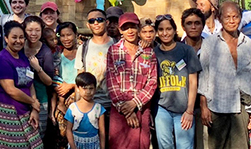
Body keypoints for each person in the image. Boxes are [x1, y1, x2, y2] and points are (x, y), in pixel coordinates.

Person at [198, 1, 251, 149]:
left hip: (240, 105)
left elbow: (250, 76)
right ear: (219, 19)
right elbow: (203, 75)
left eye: (235, 17)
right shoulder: (210, 43)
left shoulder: (247, 43)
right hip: (216, 105)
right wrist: (203, 106)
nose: (232, 21)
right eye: (227, 17)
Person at [0, 21, 43, 149]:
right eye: (14, 37)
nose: (18, 41)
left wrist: (34, 108)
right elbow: (11, 90)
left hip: (24, 110)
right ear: (6, 38)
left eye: (21, 37)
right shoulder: (2, 59)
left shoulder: (22, 57)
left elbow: (30, 83)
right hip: (6, 113)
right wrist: (32, 102)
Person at [106, 13, 157, 149]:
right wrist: (127, 110)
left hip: (142, 107)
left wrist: (135, 103)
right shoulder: (113, 51)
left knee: (141, 144)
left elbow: (152, 81)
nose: (130, 31)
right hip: (120, 108)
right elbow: (111, 82)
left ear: (138, 28)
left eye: (133, 27)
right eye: (125, 28)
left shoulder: (148, 52)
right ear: (120, 30)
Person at [153, 14, 201, 149]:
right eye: (161, 30)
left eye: (168, 29)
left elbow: (193, 82)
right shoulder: (153, 53)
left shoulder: (186, 50)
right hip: (161, 108)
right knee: (165, 145)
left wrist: (190, 110)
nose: (165, 33)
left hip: (184, 108)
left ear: (174, 30)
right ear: (157, 32)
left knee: (185, 146)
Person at [75, 8, 114, 144]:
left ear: (107, 22)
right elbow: (79, 79)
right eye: (92, 21)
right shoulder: (83, 48)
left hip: (113, 106)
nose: (96, 23)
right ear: (88, 25)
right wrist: (78, 107)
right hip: (90, 105)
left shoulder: (116, 45)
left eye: (100, 20)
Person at [23, 16, 55, 140]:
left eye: (37, 30)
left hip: (40, 100)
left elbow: (49, 81)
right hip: (20, 98)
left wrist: (38, 68)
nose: (33, 34)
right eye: (30, 30)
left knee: (37, 137)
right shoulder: (19, 46)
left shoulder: (45, 52)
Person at [180, 8, 208, 149]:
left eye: (197, 23)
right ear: (183, 26)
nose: (193, 26)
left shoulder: (212, 47)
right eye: (189, 23)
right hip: (182, 108)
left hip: (207, 106)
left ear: (203, 25)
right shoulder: (175, 48)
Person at [53, 21, 79, 147]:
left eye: (69, 35)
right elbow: (54, 77)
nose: (65, 39)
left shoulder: (83, 53)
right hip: (61, 100)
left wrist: (71, 85)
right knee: (62, 136)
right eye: (62, 36)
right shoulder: (57, 55)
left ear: (76, 35)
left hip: (79, 99)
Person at [65, 72, 106, 149]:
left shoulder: (99, 109)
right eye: (84, 88)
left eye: (91, 88)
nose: (88, 92)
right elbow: (68, 130)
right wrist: (73, 147)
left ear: (95, 89)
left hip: (93, 145)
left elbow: (102, 132)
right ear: (77, 88)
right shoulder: (72, 108)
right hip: (76, 145)